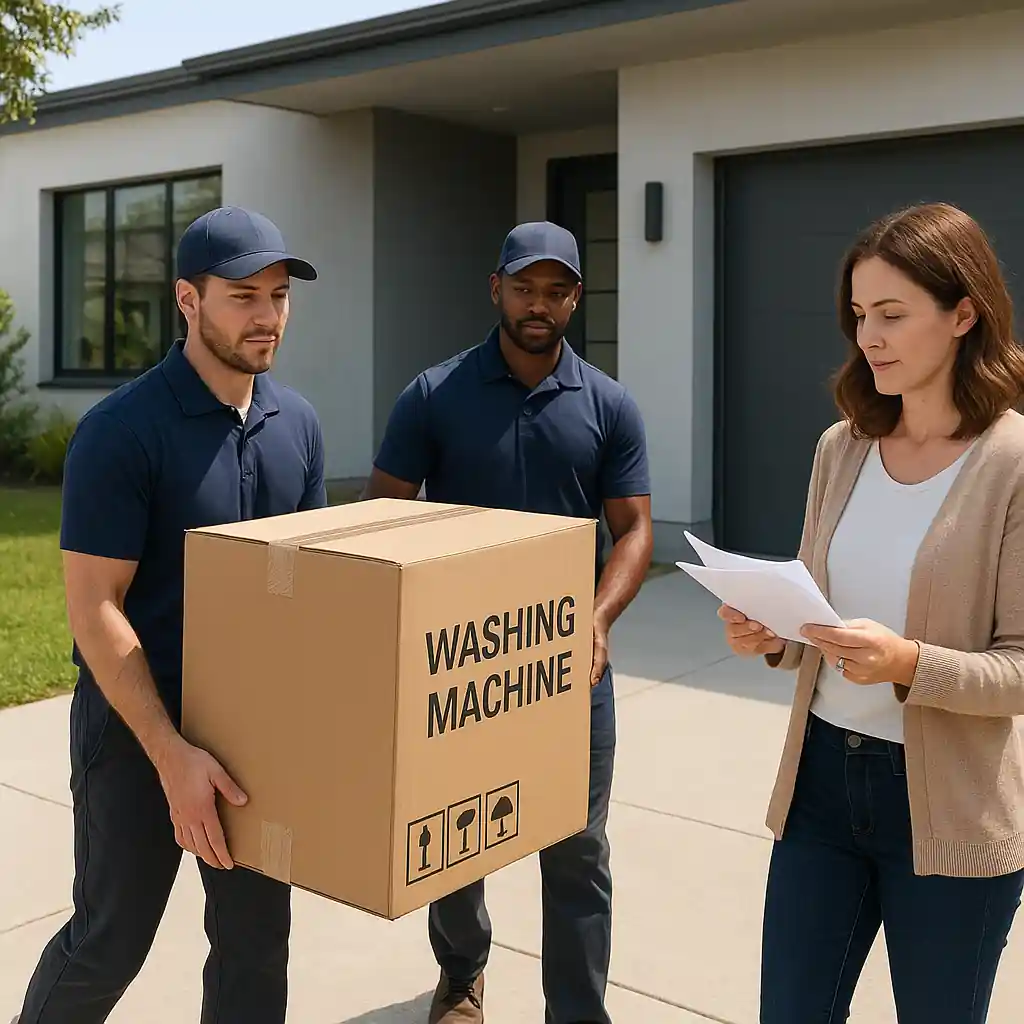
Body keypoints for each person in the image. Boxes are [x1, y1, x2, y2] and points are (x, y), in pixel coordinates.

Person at [14, 207, 326, 1024]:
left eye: (279, 296)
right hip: (135, 727)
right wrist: (171, 754)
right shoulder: (122, 432)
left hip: (255, 735)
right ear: (187, 301)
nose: (266, 317)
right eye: (242, 296)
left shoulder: (298, 426)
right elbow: (94, 609)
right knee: (110, 941)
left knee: (257, 948)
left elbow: (319, 595)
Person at [718, 202, 1024, 1023]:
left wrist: (907, 664)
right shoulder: (841, 446)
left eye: (892, 314)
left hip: (948, 807)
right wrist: (774, 635)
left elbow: (1020, 668)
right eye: (859, 316)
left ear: (964, 314)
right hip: (819, 786)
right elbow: (816, 610)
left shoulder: (1013, 463)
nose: (869, 337)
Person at [363, 221, 653, 1024]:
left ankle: (578, 1011)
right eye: (525, 287)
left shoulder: (608, 405)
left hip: (568, 666)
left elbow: (633, 530)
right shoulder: (434, 394)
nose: (539, 304)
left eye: (557, 290)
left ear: (575, 300)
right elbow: (381, 514)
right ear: (496, 288)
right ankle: (462, 977)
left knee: (578, 848)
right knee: (457, 843)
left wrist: (595, 619)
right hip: (462, 668)